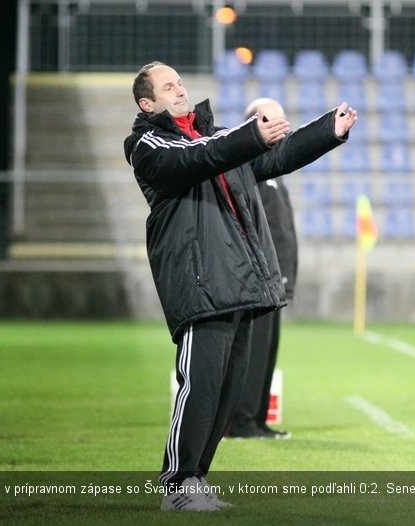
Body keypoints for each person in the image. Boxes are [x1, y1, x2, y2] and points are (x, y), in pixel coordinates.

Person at [123, 61, 357, 511]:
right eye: (167, 86)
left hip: (241, 282)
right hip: (202, 281)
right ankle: (177, 483)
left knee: (225, 393)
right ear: (146, 103)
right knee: (200, 387)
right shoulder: (148, 145)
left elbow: (278, 157)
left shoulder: (218, 139)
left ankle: (197, 481)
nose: (179, 89)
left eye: (180, 82)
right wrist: (250, 134)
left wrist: (328, 129)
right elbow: (199, 157)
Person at [227, 98, 296, 440]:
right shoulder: (248, 167)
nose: (285, 127)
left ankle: (256, 420)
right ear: (259, 121)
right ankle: (240, 421)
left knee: (267, 352)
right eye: (278, 120)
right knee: (252, 353)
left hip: (276, 279)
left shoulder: (274, 169)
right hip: (258, 279)